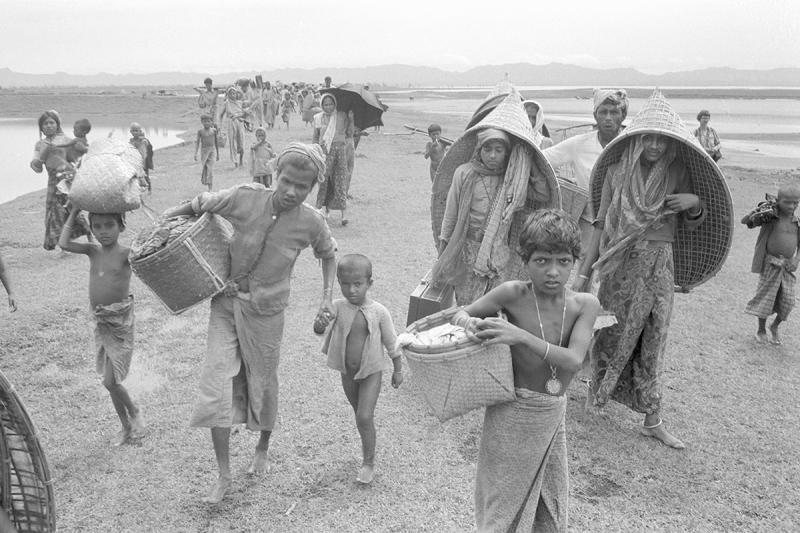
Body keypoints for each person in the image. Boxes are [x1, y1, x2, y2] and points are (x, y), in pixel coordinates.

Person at [161, 143, 337, 504]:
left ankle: (263, 445)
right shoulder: (245, 197)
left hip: (267, 313)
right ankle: (223, 474)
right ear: (275, 173)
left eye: (301, 187)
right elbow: (201, 203)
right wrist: (165, 224)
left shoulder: (311, 222)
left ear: (312, 187)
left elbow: (329, 255)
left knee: (263, 382)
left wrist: (326, 297)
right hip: (226, 304)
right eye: (286, 181)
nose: (291, 191)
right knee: (216, 384)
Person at [452, 209, 599, 532]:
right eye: (542, 260)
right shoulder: (512, 294)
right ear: (525, 260)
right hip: (510, 412)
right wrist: (474, 324)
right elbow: (460, 314)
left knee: (550, 505)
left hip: (550, 414)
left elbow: (574, 360)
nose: (553, 271)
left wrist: (520, 336)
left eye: (563, 261)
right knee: (502, 502)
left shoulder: (584, 304)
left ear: (574, 260)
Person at [575, 128, 704, 450]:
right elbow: (602, 222)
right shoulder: (617, 172)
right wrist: (583, 273)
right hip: (620, 262)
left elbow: (694, 223)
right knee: (609, 331)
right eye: (648, 139)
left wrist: (694, 202)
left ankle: (652, 420)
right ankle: (596, 392)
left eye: (662, 140)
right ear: (636, 141)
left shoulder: (676, 170)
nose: (656, 146)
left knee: (654, 336)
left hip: (660, 262)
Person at [434, 125, 554, 306]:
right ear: (479, 149)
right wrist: (443, 254)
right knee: (466, 303)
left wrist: (530, 166)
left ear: (506, 153)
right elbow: (451, 215)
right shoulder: (464, 173)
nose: (492, 155)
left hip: (498, 251)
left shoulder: (512, 178)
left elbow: (543, 194)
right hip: (467, 248)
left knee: (493, 304)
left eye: (499, 150)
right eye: (487, 149)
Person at [58, 206, 145, 446]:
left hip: (120, 324)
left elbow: (149, 258)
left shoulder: (127, 253)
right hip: (101, 322)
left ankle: (134, 411)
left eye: (109, 225)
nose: (103, 232)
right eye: (97, 226)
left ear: (121, 226)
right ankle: (126, 428)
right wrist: (75, 212)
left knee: (110, 381)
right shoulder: (92, 251)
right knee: (111, 382)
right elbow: (63, 243)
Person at [314, 254, 403, 484]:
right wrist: (319, 324)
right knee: (360, 415)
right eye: (344, 284)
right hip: (348, 374)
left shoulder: (379, 312)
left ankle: (368, 463)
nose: (351, 290)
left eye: (358, 284)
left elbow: (392, 342)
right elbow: (320, 329)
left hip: (371, 372)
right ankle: (368, 445)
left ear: (369, 283)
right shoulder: (337, 308)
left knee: (364, 416)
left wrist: (398, 369)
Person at [544, 89, 629, 247]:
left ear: (623, 115)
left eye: (614, 112)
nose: (608, 118)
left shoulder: (631, 144)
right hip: (589, 222)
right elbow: (544, 159)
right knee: (586, 268)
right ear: (595, 115)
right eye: (603, 112)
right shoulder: (580, 144)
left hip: (625, 224)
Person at [743, 183, 800, 345]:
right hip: (770, 264)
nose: (792, 206)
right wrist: (757, 211)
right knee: (766, 298)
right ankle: (761, 330)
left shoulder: (797, 222)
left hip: (787, 267)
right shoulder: (770, 218)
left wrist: (796, 260)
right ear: (778, 200)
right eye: (787, 202)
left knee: (788, 301)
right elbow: (746, 222)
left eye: (796, 202)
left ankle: (774, 326)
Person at [30, 110, 92, 251]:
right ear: (41, 127)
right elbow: (37, 168)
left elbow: (77, 160)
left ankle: (90, 237)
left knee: (72, 211)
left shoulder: (66, 140)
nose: (48, 126)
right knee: (53, 215)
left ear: (57, 124)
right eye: (45, 124)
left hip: (67, 181)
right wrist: (43, 155)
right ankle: (64, 245)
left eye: (52, 122)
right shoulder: (40, 144)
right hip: (53, 183)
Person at [314, 93, 355, 226]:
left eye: (331, 104)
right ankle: (324, 210)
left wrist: (351, 119)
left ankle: (344, 215)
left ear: (335, 104)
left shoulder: (342, 115)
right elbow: (315, 137)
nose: (328, 107)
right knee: (324, 180)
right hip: (325, 151)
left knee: (340, 180)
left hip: (340, 150)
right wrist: (315, 152)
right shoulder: (318, 118)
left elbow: (350, 133)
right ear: (322, 105)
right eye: (325, 104)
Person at [219, 86, 246, 167]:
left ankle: (241, 159)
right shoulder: (226, 103)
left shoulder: (240, 103)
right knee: (232, 142)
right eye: (230, 93)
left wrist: (238, 116)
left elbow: (244, 114)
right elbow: (221, 115)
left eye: (234, 93)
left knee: (241, 142)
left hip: (240, 123)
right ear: (228, 94)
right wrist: (220, 126)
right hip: (231, 123)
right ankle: (235, 162)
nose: (232, 95)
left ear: (236, 94)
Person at [194, 114, 219, 191]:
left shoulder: (214, 131)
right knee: (206, 168)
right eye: (205, 121)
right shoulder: (200, 131)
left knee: (210, 169)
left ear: (211, 122)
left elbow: (216, 142)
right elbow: (198, 143)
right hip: (204, 152)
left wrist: (218, 154)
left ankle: (210, 189)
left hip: (212, 151)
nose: (206, 123)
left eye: (208, 121)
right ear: (202, 122)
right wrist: (195, 153)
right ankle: (205, 181)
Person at [129, 122, 154, 193]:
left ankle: (149, 190)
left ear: (140, 131)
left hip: (143, 163)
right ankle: (137, 190)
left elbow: (145, 152)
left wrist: (143, 163)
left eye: (136, 131)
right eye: (133, 131)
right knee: (135, 177)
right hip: (135, 162)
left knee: (145, 176)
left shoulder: (144, 141)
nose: (135, 132)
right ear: (130, 132)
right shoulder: (131, 141)